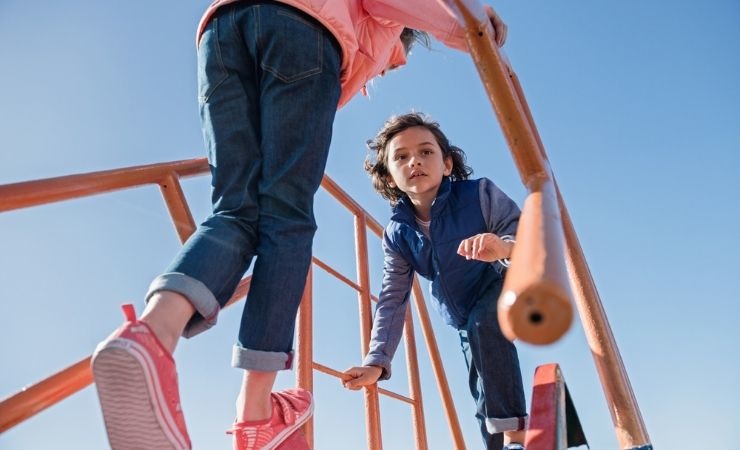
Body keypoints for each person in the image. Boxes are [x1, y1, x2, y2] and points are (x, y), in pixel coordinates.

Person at [91, 1, 508, 450]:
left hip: (221, 31)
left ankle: (149, 337)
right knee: (285, 219)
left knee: (234, 210)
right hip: (301, 28)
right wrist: (468, 26)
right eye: (393, 61)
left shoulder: (466, 198)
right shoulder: (376, 23)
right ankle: (255, 416)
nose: (384, 72)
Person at [342, 112, 528, 450]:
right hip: (459, 313)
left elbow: (525, 234)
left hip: (500, 283)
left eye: (426, 152)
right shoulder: (398, 234)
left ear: (446, 164)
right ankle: (497, 445)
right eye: (401, 156)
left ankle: (516, 435)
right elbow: (393, 299)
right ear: (389, 176)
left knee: (486, 323)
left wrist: (502, 246)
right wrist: (376, 362)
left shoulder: (480, 194)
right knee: (481, 387)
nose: (414, 160)